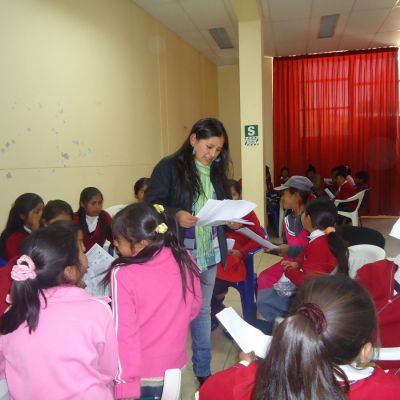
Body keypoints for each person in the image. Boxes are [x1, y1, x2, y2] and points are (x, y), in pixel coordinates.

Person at [200, 275, 400, 400]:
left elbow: (208, 393)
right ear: (365, 351)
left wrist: (243, 366)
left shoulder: (248, 383)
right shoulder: (389, 391)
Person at [145, 117, 232, 385]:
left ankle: (203, 371)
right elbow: (152, 205)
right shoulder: (169, 166)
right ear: (193, 139)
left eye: (218, 150)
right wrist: (176, 214)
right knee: (175, 313)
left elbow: (219, 204)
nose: (212, 155)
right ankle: (168, 372)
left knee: (203, 311)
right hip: (180, 251)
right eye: (208, 147)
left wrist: (228, 216)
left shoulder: (216, 170)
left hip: (210, 250)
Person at [0, 222, 118, 399]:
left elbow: (4, 370)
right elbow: (109, 371)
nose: (85, 248)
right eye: (80, 248)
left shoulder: (13, 313)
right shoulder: (97, 311)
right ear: (70, 271)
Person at [104, 203, 202, 399]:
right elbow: (194, 306)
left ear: (141, 244)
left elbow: (124, 333)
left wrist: (125, 385)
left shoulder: (122, 273)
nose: (115, 245)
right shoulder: (183, 257)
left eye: (118, 241)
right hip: (177, 368)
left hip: (143, 376)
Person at [257, 197, 349, 323]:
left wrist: (289, 270)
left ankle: (266, 336)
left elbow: (306, 282)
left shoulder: (320, 246)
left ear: (309, 219)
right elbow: (306, 254)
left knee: (263, 302)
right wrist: (296, 263)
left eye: (304, 212)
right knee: (268, 294)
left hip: (313, 302)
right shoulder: (325, 238)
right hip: (320, 293)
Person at [211, 180, 264, 329]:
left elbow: (259, 237)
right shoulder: (218, 211)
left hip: (237, 258)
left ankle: (221, 314)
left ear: (239, 195)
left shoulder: (247, 212)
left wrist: (242, 252)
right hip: (218, 253)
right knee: (201, 279)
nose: (230, 199)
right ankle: (216, 311)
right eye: (227, 196)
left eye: (233, 195)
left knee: (210, 283)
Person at [257, 176, 313, 292]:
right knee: (263, 277)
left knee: (267, 281)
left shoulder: (311, 219)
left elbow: (314, 249)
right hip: (288, 261)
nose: (282, 198)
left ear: (296, 196)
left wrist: (289, 250)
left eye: (285, 194)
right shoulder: (288, 219)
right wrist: (274, 248)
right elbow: (287, 246)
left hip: (306, 265)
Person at [0, 193, 44, 261]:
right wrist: (35, 234)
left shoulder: (44, 230)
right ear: (22, 215)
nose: (41, 215)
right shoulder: (14, 238)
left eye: (43, 211)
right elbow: (20, 263)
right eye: (37, 212)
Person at [74, 187, 112, 251]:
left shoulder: (104, 217)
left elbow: (114, 236)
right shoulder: (74, 219)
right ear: (82, 204)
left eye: (100, 203)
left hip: (98, 257)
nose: (97, 207)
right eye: (93, 203)